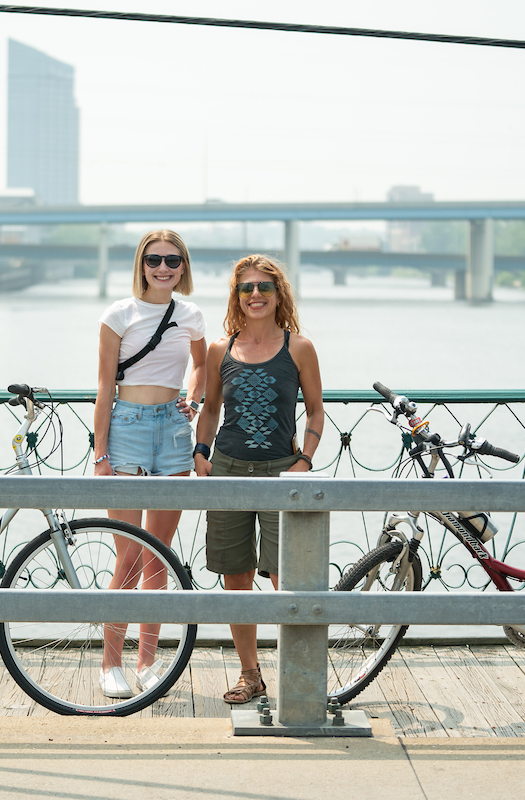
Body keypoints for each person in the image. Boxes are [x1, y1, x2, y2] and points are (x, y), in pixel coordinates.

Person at [192, 254, 323, 704]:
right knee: (236, 577)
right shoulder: (219, 350)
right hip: (227, 469)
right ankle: (251, 674)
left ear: (278, 294)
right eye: (246, 288)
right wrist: (201, 451)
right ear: (237, 296)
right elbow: (210, 410)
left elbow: (315, 411)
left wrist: (304, 459)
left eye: (264, 287)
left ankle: (298, 671)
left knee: (284, 576)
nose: (255, 295)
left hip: (280, 473)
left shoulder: (299, 347)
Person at [93, 229, 207, 699]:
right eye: (155, 259)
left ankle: (147, 662)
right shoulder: (119, 314)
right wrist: (100, 453)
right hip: (129, 427)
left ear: (183, 266)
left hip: (174, 432)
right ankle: (110, 662)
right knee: (129, 554)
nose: (164, 268)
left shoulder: (191, 315)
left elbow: (201, 367)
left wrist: (194, 400)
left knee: (160, 553)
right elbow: (103, 385)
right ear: (142, 264)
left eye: (172, 260)